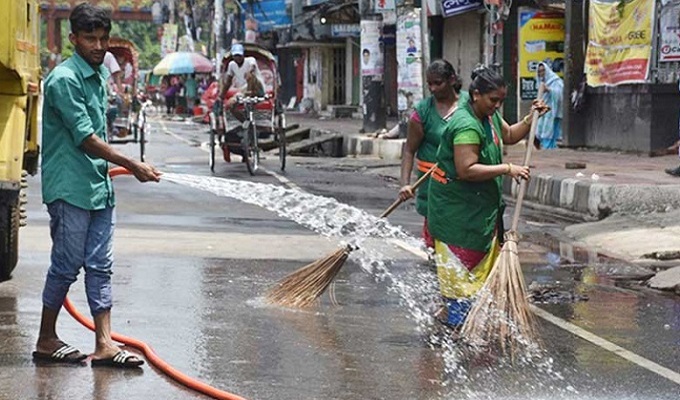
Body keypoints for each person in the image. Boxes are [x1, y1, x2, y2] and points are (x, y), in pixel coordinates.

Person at [33, 3, 162, 369]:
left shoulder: (98, 74)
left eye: (103, 39)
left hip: (98, 185)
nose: (98, 45)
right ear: (73, 38)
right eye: (90, 38)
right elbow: (86, 138)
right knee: (66, 265)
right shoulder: (64, 80)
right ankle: (45, 338)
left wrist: (116, 168)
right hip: (70, 187)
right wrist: (131, 164)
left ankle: (104, 344)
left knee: (100, 266)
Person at [427, 66, 548, 328]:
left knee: (477, 290)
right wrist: (507, 169)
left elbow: (509, 135)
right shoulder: (466, 125)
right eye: (493, 100)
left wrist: (530, 119)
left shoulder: (489, 117)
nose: (497, 105)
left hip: (479, 215)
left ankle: (464, 330)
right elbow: (466, 169)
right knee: (461, 290)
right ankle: (456, 336)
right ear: (476, 95)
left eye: (501, 101)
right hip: (457, 219)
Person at [398, 60, 463, 251]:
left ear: (451, 80)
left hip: (463, 187)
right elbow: (409, 150)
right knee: (436, 247)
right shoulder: (422, 113)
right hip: (433, 189)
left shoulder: (470, 104)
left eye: (438, 83)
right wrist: (405, 184)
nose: (433, 88)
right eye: (430, 84)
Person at [217, 43, 264, 122]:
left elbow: (252, 67)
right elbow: (228, 82)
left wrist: (249, 72)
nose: (238, 58)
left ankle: (249, 93)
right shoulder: (231, 65)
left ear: (243, 55)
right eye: (236, 56)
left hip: (257, 88)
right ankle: (245, 122)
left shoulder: (250, 60)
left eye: (239, 55)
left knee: (249, 75)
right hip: (243, 91)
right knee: (230, 105)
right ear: (233, 56)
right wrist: (221, 96)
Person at [534, 62, 563, 149]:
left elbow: (560, 93)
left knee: (551, 131)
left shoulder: (555, 80)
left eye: (543, 71)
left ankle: (549, 148)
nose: (541, 73)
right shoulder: (540, 82)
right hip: (543, 110)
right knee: (541, 129)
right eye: (539, 72)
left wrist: (549, 90)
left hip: (553, 110)